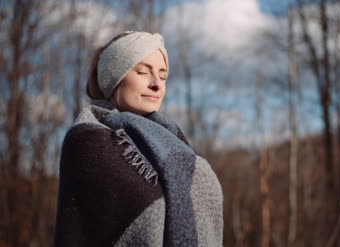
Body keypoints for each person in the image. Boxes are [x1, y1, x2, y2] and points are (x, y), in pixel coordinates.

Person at [53, 31, 223, 247]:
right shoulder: (88, 142)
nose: (157, 84)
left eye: (163, 76)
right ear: (114, 78)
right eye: (143, 71)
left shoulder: (175, 142)